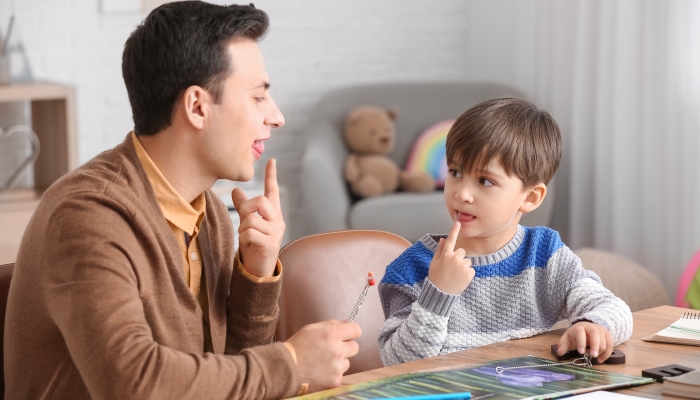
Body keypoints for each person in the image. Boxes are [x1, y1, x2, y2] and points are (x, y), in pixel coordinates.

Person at [4, 2, 361, 399]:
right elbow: (132, 384)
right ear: (196, 107)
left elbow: (229, 379)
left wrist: (255, 275)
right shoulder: (87, 216)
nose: (277, 117)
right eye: (258, 97)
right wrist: (291, 363)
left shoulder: (208, 214)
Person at [377, 97, 633, 367]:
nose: (462, 193)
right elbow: (396, 365)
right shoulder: (411, 268)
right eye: (455, 172)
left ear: (531, 198)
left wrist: (593, 326)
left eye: (485, 181)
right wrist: (437, 293)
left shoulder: (544, 253)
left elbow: (614, 309)